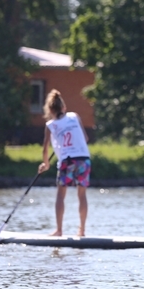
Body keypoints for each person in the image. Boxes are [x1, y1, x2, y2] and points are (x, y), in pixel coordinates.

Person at [38, 89, 92, 237]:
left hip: (67, 161)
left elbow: (45, 150)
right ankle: (82, 230)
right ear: (63, 107)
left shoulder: (51, 125)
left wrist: (46, 165)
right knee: (82, 194)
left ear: (50, 109)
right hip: (84, 159)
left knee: (61, 195)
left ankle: (59, 230)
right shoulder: (75, 116)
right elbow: (85, 138)